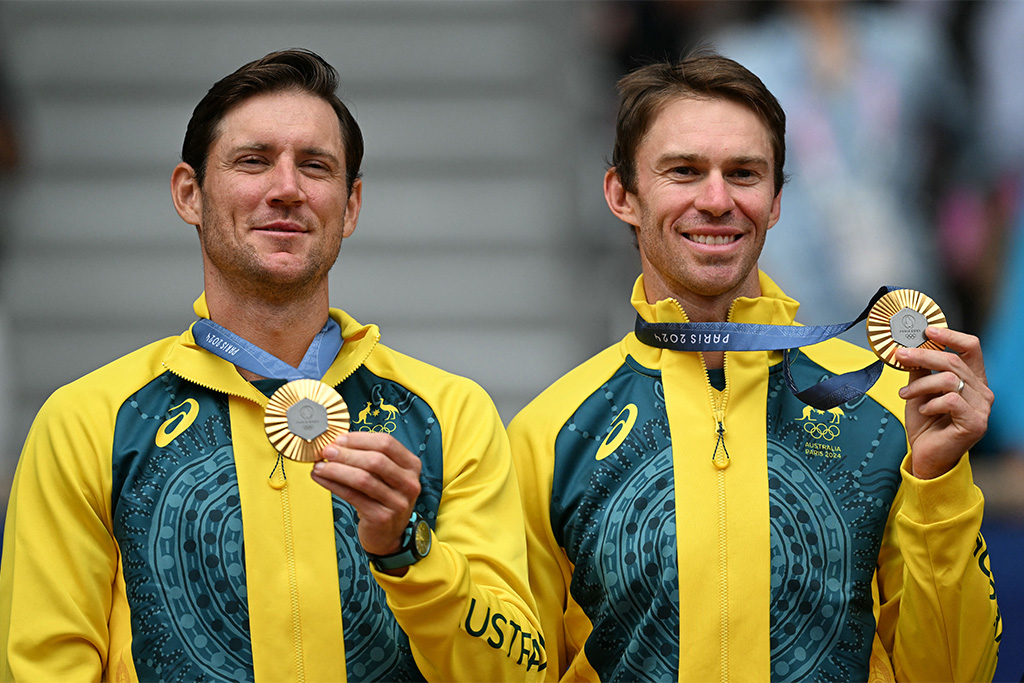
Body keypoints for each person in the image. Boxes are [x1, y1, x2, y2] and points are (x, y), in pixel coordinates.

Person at [0, 49, 544, 682]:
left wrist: (409, 552)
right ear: (189, 194)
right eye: (253, 161)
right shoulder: (86, 420)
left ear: (351, 205)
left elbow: (520, 671)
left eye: (315, 166)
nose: (287, 188)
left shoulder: (451, 413)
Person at [507, 53, 1000, 682]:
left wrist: (939, 481)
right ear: (622, 195)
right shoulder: (550, 434)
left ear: (775, 201)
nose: (717, 200)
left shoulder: (887, 409)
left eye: (744, 173)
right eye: (684, 171)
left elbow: (958, 673)